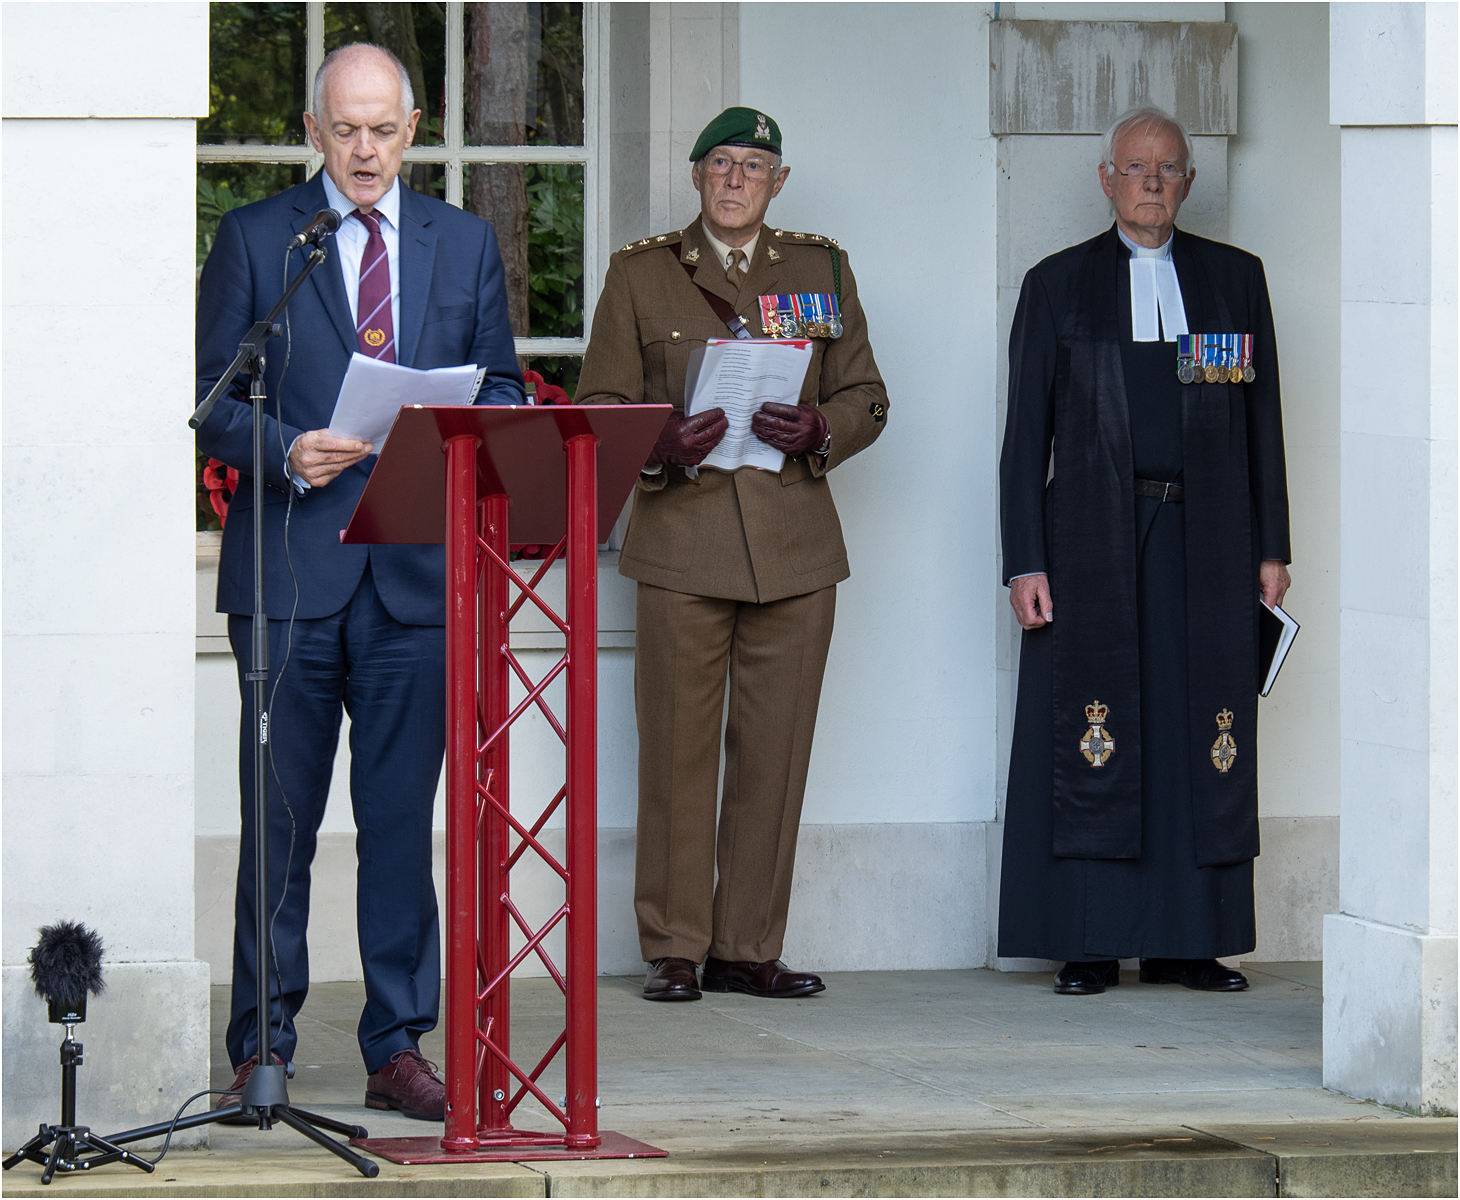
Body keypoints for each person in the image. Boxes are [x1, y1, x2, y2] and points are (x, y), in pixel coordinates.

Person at [194, 43, 523, 1118]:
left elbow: (508, 388)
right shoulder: (255, 238)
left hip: (415, 583)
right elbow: (208, 399)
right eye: (346, 128)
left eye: (384, 127)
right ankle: (262, 1052)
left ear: (415, 129)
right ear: (312, 131)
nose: (366, 147)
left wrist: (459, 427)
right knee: (276, 830)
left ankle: (396, 1048)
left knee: (396, 829)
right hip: (287, 577)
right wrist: (286, 449)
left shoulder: (463, 244)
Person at [575, 107, 889, 1002]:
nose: (736, 179)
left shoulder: (820, 268)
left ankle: (748, 945)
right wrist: (658, 439)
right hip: (683, 536)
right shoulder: (641, 273)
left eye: (754, 165)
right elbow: (600, 402)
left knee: (775, 753)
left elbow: (867, 392)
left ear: (778, 181)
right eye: (721, 163)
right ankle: (675, 944)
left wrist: (823, 425)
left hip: (794, 544)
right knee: (676, 752)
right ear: (697, 175)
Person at [997, 105, 1292, 996]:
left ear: (1188, 182)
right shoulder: (1058, 286)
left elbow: (1265, 424)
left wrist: (1274, 548)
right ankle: (1089, 941)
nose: (1152, 182)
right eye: (1136, 167)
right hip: (1089, 537)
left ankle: (1188, 942)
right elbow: (1025, 439)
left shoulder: (1235, 281)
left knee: (1193, 729)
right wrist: (1025, 561)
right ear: (1107, 179)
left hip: (1208, 539)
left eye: (1168, 169)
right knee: (1097, 727)